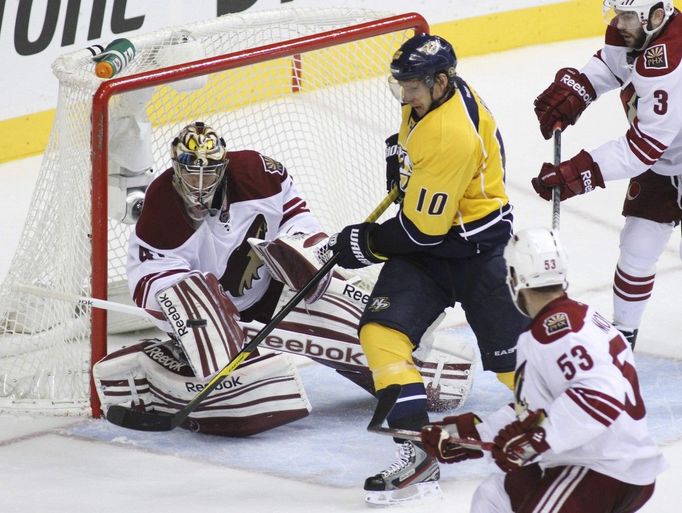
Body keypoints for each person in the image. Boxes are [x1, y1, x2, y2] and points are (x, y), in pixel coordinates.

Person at [93, 121, 475, 437]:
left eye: (209, 171)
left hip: (269, 290)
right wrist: (204, 311)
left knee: (391, 354)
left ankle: (401, 361)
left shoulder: (259, 174)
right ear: (176, 168)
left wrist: (303, 247)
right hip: (203, 308)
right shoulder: (162, 205)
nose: (199, 182)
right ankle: (218, 369)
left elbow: (296, 216)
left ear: (223, 166)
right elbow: (149, 275)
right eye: (191, 172)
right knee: (192, 293)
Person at [327, 34, 528, 504]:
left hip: (477, 250)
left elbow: (420, 232)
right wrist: (403, 161)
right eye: (401, 85)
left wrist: (365, 242)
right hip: (433, 250)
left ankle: (572, 421)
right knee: (381, 332)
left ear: (440, 82)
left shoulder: (449, 134)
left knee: (512, 364)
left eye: (413, 86)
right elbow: (424, 215)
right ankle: (417, 450)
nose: (405, 95)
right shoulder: (430, 100)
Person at [419, 227, 666, 513]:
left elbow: (600, 398)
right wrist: (472, 435)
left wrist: (534, 439)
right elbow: (539, 407)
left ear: (514, 278)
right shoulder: (572, 319)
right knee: (495, 496)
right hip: (594, 459)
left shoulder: (558, 331)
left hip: (606, 468)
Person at [531, 0, 682, 348]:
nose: (620, 23)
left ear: (656, 16)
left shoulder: (669, 59)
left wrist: (577, 172)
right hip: (664, 165)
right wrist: (580, 89)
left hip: (657, 153)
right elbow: (612, 65)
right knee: (636, 248)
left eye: (628, 16)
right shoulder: (633, 31)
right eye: (618, 14)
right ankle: (624, 337)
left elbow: (643, 148)